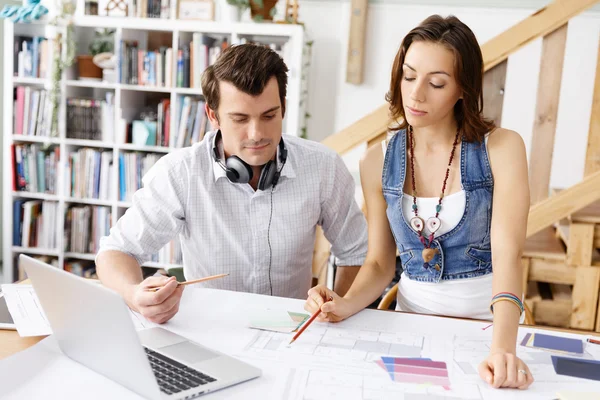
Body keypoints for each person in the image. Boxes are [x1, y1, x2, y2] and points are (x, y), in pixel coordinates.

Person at [304, 15, 534, 390]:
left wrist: (502, 349)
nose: (416, 94)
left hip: (488, 328)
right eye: (409, 76)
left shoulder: (502, 148)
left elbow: (509, 256)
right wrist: (345, 302)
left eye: (437, 83)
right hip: (410, 324)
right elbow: (380, 262)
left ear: (463, 89)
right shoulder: (376, 160)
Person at [96, 44, 368, 325]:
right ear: (213, 116)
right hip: (210, 329)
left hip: (291, 329)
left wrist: (339, 309)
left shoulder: (323, 167)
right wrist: (133, 294)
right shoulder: (180, 173)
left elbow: (356, 252)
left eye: (269, 115)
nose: (257, 134)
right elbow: (116, 252)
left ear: (283, 108)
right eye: (239, 119)